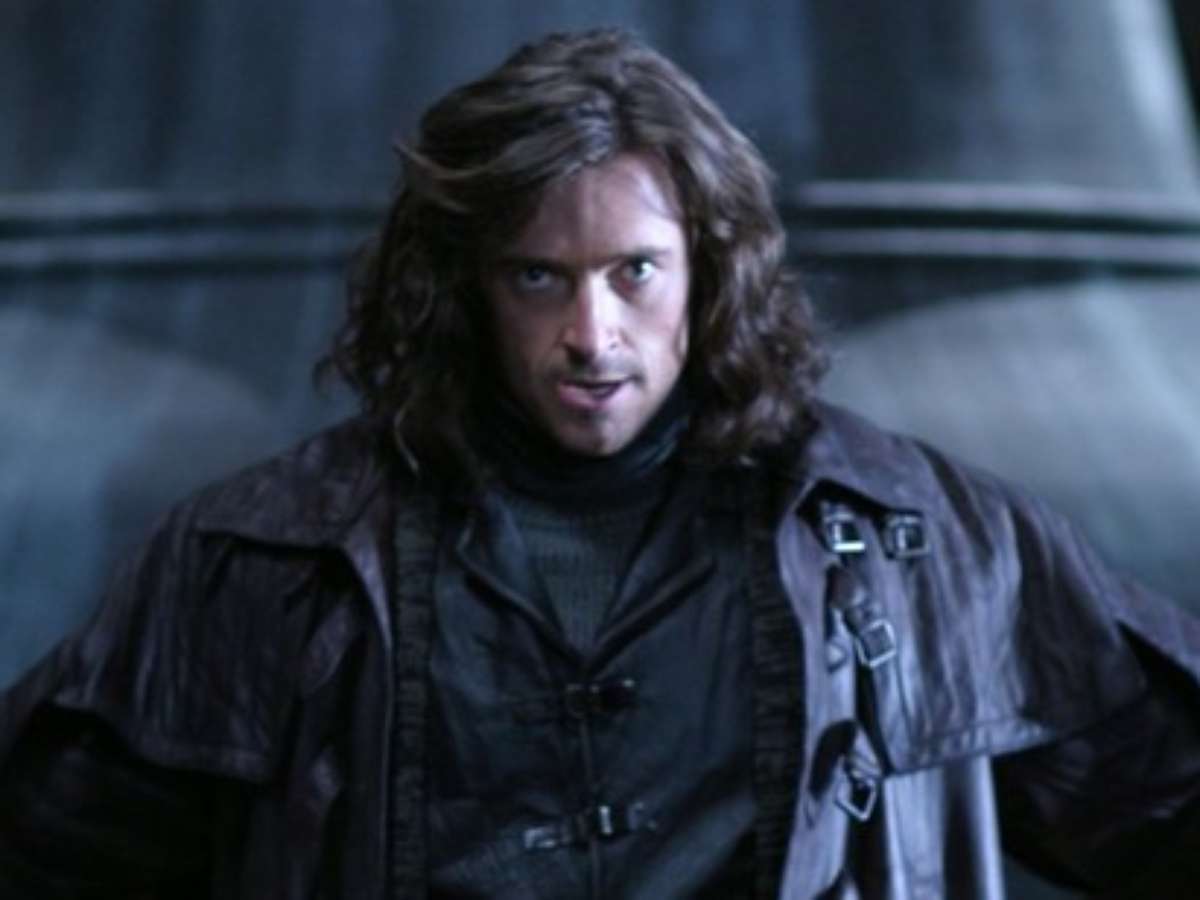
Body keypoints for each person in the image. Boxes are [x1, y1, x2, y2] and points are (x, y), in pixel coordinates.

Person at [2, 26, 1199, 900]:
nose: (591, 335)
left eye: (635, 272)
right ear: (466, 290)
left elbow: (1163, 806)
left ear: (709, 270)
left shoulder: (918, 542)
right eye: (538, 277)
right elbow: (49, 847)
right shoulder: (266, 558)